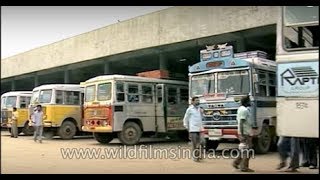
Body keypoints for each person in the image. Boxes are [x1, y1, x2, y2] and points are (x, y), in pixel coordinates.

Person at [232, 95, 254, 172]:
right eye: (249, 101)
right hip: (245, 133)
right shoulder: (244, 110)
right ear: (246, 102)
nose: (251, 102)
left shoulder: (242, 109)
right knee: (247, 150)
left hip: (246, 132)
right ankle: (244, 166)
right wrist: (242, 134)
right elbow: (241, 122)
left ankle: (236, 163)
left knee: (244, 150)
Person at [183, 97, 203, 162]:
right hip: (193, 129)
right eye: (196, 100)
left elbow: (201, 118)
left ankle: (198, 155)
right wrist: (186, 127)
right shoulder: (189, 109)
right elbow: (186, 118)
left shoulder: (200, 109)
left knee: (201, 142)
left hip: (199, 129)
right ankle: (195, 157)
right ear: (192, 102)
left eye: (198, 100)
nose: (198, 102)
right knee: (194, 144)